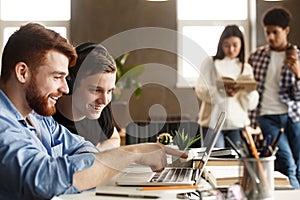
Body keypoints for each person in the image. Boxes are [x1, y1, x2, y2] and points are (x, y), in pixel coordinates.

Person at [0, 22, 187, 200]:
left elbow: (84, 147)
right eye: (57, 77)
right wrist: (132, 153)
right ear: (23, 72)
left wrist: (73, 168)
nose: (65, 89)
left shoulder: (38, 118)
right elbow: (45, 179)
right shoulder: (3, 124)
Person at [248, 6, 300, 189]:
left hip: (294, 117)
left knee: (299, 166)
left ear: (286, 31)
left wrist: (298, 74)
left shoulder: (297, 57)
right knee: (287, 164)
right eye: (267, 32)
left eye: (275, 32)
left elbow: (297, 96)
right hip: (267, 117)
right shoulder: (256, 57)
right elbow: (248, 89)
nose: (270, 37)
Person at [195, 25, 259, 148]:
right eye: (226, 45)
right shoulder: (210, 62)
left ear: (241, 45)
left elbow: (251, 104)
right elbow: (201, 90)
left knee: (236, 162)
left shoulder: (246, 68)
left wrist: (248, 91)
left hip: (237, 123)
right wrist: (221, 91)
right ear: (220, 45)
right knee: (215, 162)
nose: (231, 49)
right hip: (212, 123)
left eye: (235, 45)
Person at [53, 42, 120, 151]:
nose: (104, 100)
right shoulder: (47, 115)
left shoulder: (99, 107)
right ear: (72, 83)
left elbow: (114, 138)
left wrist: (93, 153)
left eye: (109, 91)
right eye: (95, 90)